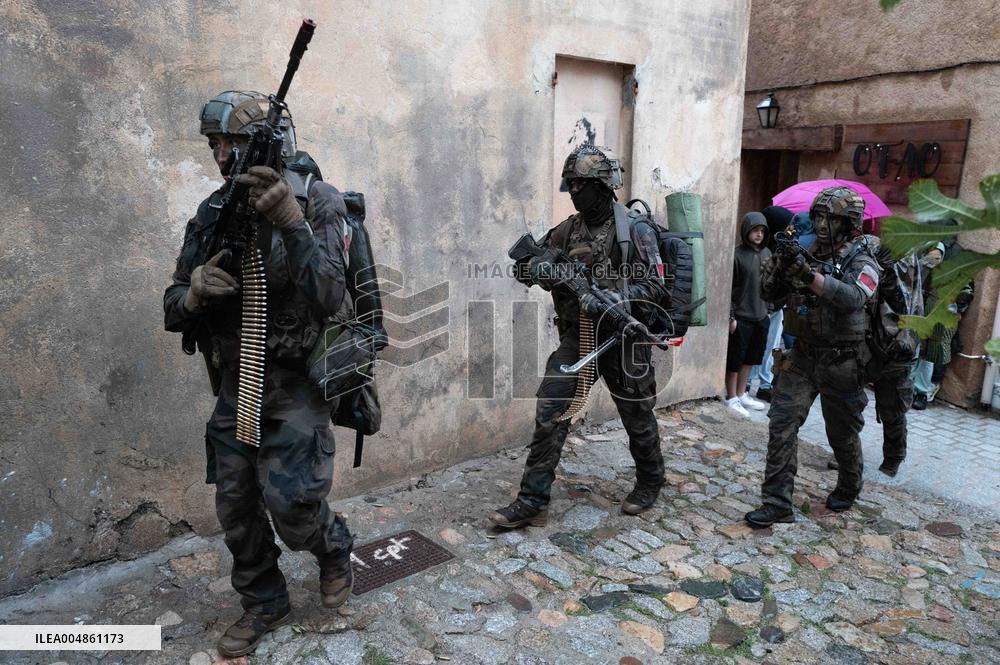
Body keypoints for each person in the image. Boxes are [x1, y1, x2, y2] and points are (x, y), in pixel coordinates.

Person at [163, 91, 355, 657]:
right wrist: (194, 293)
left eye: (227, 143)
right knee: (236, 508)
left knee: (294, 507)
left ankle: (333, 546)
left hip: (295, 382)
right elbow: (172, 304)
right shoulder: (212, 214)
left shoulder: (318, 201)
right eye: (213, 144)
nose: (219, 155)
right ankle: (264, 600)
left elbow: (329, 295)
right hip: (235, 381)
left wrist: (291, 224)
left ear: (258, 146)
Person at [490, 145, 670, 527]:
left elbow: (656, 287)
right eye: (570, 184)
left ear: (603, 186)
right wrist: (544, 272)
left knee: (637, 416)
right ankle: (532, 497)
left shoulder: (633, 230)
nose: (573, 191)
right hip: (579, 337)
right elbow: (524, 266)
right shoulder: (567, 230)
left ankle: (650, 480)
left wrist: (617, 298)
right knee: (551, 410)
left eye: (580, 184)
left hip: (623, 340)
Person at [744, 186, 882, 527]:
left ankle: (849, 487)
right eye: (818, 216)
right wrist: (780, 266)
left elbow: (853, 297)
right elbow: (769, 293)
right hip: (803, 355)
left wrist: (810, 276)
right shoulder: (803, 248)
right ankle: (777, 502)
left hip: (843, 361)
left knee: (841, 434)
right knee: (782, 424)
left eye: (830, 218)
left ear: (849, 223)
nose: (821, 224)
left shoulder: (861, 258)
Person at [725, 212, 771, 416]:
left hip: (760, 316)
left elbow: (771, 284)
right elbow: (729, 288)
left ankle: (742, 393)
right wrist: (731, 316)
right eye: (755, 230)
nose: (759, 234)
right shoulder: (736, 255)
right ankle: (731, 396)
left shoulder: (768, 254)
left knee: (751, 358)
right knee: (735, 358)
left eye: (762, 231)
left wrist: (768, 310)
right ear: (746, 231)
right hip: (741, 317)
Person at [747, 206, 795, 402]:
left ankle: (765, 384)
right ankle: (749, 382)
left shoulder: (784, 248)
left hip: (777, 307)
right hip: (759, 308)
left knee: (771, 346)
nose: (790, 231)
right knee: (755, 344)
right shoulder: (761, 252)